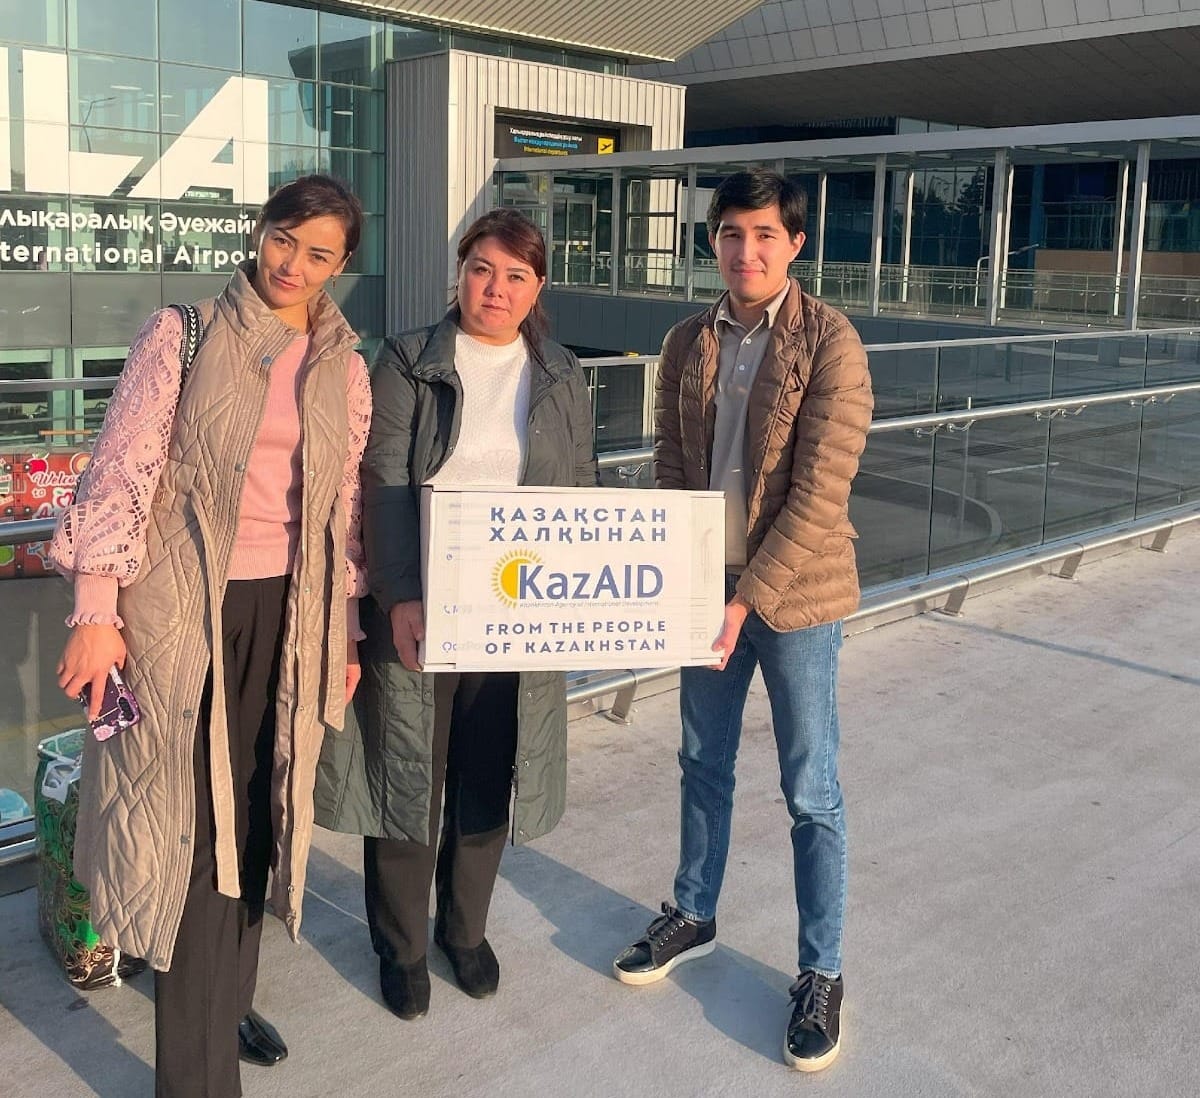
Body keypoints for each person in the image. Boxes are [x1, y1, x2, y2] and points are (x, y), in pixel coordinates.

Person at [50, 174, 371, 1097]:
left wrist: (345, 634)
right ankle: (195, 1077)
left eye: (317, 253)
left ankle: (224, 1002)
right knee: (194, 833)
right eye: (282, 239)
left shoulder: (343, 364)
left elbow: (342, 512)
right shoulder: (182, 334)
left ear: (342, 265)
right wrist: (96, 613)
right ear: (260, 232)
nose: (292, 265)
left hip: (291, 615)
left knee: (264, 815)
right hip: (179, 615)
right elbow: (120, 473)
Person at [611, 168, 873, 1072]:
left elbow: (821, 492)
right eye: (731, 232)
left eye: (764, 234)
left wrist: (742, 599)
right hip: (703, 588)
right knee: (701, 761)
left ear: (795, 243)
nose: (746, 250)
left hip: (796, 600)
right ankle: (694, 911)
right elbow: (671, 462)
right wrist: (676, 574)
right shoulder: (687, 339)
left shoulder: (831, 342)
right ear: (713, 240)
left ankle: (822, 971)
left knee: (811, 789)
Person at [314, 207, 597, 1021]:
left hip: (518, 611)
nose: (495, 289)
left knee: (488, 772)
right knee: (409, 772)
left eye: (515, 275)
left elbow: (579, 488)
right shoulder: (409, 358)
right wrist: (399, 595)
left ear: (537, 287)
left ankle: (463, 930)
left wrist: (582, 600)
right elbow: (382, 483)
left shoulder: (559, 372)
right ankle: (401, 946)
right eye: (481, 269)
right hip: (424, 604)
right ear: (460, 274)